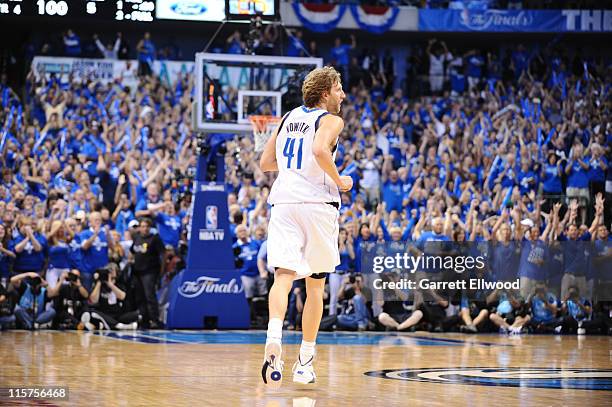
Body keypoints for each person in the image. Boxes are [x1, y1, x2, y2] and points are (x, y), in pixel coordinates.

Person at [259, 66, 352, 387]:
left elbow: (266, 163)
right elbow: (318, 149)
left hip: (284, 202)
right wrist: (340, 181)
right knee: (315, 285)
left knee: (283, 277)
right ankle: (305, 362)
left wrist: (293, 169)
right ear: (325, 92)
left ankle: (273, 337)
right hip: (318, 205)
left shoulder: (287, 118)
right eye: (339, 89)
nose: (343, 95)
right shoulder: (331, 120)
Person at [130, 217, 165, 329]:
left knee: (149, 295)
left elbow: (163, 254)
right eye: (143, 226)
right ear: (139, 228)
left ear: (150, 228)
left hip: (150, 271)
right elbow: (132, 251)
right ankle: (144, 319)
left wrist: (162, 270)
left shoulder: (155, 239)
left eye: (147, 226)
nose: (144, 229)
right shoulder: (136, 237)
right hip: (137, 271)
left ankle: (154, 319)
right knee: (140, 297)